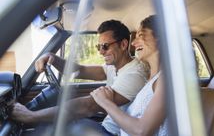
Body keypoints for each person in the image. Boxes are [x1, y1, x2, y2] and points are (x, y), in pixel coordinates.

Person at [11, 20, 147, 135]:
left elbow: (89, 106)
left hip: (112, 132)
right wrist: (52, 57)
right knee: (48, 128)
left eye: (105, 46)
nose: (101, 52)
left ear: (123, 45)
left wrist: (31, 116)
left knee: (48, 130)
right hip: (106, 126)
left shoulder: (134, 74)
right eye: (99, 47)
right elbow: (80, 70)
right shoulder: (114, 66)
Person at [90, 15, 169, 136]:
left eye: (141, 36)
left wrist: (105, 102)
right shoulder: (152, 78)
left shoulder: (167, 80)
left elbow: (141, 130)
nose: (133, 43)